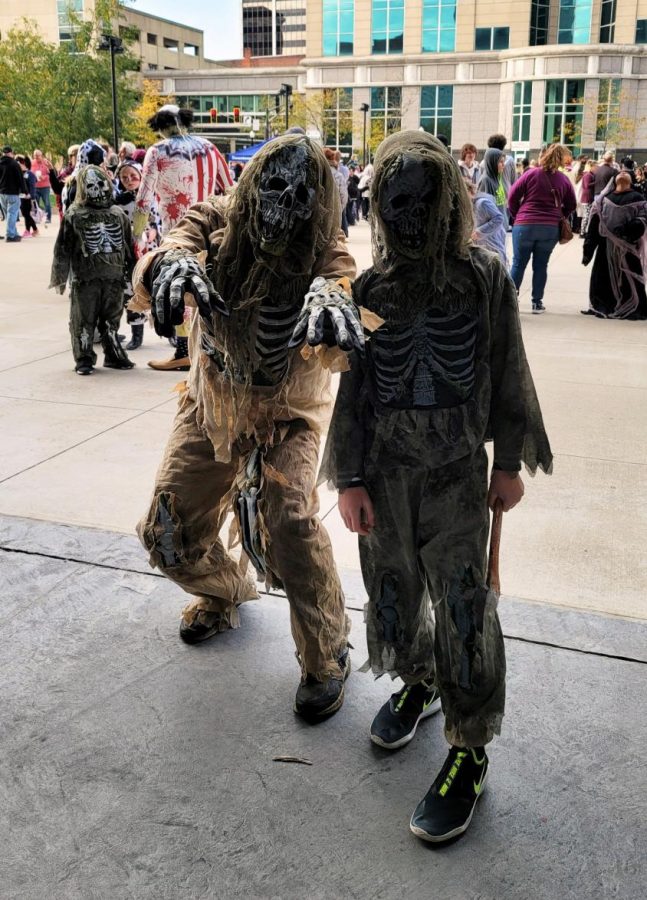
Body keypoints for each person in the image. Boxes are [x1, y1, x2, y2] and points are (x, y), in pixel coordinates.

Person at [321, 130, 552, 843]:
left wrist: (509, 460)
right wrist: (350, 476)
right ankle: (420, 680)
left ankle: (468, 744)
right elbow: (353, 390)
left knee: (461, 606)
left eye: (425, 201)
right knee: (392, 589)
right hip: (385, 479)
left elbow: (510, 371)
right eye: (398, 203)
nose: (412, 217)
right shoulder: (369, 290)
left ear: (447, 200)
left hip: (455, 479)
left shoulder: (484, 278)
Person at [130, 134, 364, 719]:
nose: (283, 208)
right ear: (255, 185)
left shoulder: (322, 247)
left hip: (289, 415)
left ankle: (326, 651)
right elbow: (174, 241)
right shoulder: (217, 220)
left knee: (288, 520)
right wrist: (169, 262)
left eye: (300, 196)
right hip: (213, 401)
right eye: (274, 189)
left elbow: (342, 279)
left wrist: (332, 297)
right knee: (167, 528)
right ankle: (223, 590)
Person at [133, 105, 232, 372]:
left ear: (161, 126)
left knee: (178, 284)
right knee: (206, 282)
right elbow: (231, 187)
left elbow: (143, 200)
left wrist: (135, 234)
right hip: (209, 226)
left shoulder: (158, 151)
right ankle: (205, 346)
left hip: (176, 230)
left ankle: (182, 350)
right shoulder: (210, 148)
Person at [49, 165, 136, 375]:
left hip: (114, 278)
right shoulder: (74, 215)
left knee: (112, 319)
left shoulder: (117, 214)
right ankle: (84, 358)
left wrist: (133, 273)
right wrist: (60, 277)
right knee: (83, 320)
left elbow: (128, 245)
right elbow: (63, 248)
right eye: (91, 186)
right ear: (82, 189)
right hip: (86, 278)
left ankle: (114, 355)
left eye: (101, 184)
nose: (97, 190)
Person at [507, 143, 576, 313]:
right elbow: (572, 204)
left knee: (518, 264)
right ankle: (537, 302)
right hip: (549, 227)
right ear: (560, 160)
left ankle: (509, 301)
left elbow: (512, 197)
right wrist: (560, 216)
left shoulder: (530, 174)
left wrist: (518, 215)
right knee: (541, 265)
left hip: (524, 225)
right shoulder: (563, 179)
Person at [581, 171, 647, 320]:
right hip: (605, 247)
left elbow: (643, 219)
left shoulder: (638, 198)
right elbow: (594, 226)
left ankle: (633, 307)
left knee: (628, 279)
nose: (622, 172)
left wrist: (631, 228)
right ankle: (602, 304)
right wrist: (588, 251)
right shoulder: (604, 200)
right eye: (620, 172)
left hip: (628, 247)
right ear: (614, 180)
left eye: (626, 172)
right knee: (602, 278)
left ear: (631, 181)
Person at [114, 158, 162, 350]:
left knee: (157, 291)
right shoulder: (118, 201)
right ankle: (137, 335)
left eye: (133, 176)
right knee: (131, 293)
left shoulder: (152, 197)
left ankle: (173, 333)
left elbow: (158, 221)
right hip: (128, 254)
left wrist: (154, 231)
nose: (129, 179)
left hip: (150, 253)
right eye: (124, 177)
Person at [468, 181, 507, 266]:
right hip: (484, 247)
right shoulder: (471, 205)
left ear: (470, 191)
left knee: (499, 272)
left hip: (493, 246)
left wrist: (479, 231)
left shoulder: (482, 203)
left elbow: (499, 218)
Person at [0, 146, 24, 242]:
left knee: (9, 215)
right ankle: (10, 235)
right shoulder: (14, 164)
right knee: (12, 214)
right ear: (11, 153)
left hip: (2, 193)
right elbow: (20, 179)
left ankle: (14, 232)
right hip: (12, 193)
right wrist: (25, 191)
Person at [325, 147, 348, 237]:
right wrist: (339, 210)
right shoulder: (338, 175)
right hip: (334, 210)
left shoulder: (318, 173)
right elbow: (343, 195)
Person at [15, 155, 39, 237]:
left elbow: (33, 186)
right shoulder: (20, 173)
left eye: (19, 162)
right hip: (21, 197)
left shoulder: (30, 174)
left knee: (26, 214)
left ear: (24, 163)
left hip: (28, 198)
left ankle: (34, 230)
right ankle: (29, 230)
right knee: (25, 214)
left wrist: (32, 197)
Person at [32, 149, 53, 224]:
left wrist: (43, 177)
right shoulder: (32, 162)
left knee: (47, 203)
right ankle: (37, 218)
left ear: (41, 155)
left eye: (37, 155)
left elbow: (50, 174)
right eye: (35, 155)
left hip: (45, 187)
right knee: (35, 203)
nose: (36, 157)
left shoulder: (46, 162)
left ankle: (48, 218)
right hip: (35, 186)